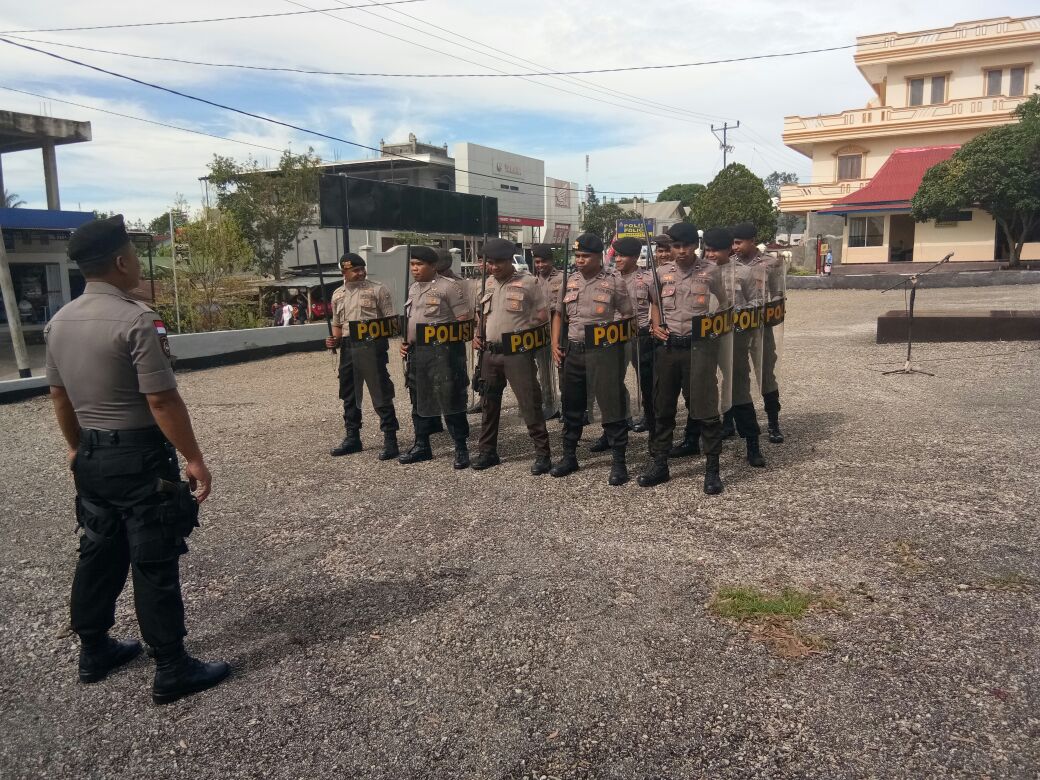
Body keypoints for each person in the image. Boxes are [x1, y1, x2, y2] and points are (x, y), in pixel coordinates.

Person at [43, 215, 228, 705]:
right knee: (153, 557)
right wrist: (194, 457)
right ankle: (171, 666)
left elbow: (59, 396)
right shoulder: (136, 319)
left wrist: (75, 447)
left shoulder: (59, 321)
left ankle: (94, 648)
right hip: (140, 455)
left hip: (92, 455)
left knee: (98, 550)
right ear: (122, 261)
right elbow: (162, 402)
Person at [637, 222, 732, 494]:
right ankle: (660, 464)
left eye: (686, 245)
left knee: (705, 408)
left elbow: (723, 304)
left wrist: (714, 330)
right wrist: (656, 326)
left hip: (699, 349)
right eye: (676, 246)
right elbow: (655, 304)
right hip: (668, 350)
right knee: (662, 408)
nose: (681, 251)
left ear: (695, 245)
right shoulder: (660, 273)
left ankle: (712, 468)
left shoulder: (711, 272)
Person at [550, 232, 634, 485]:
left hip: (604, 352)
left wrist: (613, 340)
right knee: (572, 405)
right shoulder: (569, 281)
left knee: (611, 404)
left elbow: (627, 315)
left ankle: (619, 462)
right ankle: (569, 456)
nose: (580, 260)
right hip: (574, 351)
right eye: (577, 256)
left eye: (585, 256)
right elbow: (558, 314)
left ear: (599, 257)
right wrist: (555, 343)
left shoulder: (615, 282)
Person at [471, 237, 553, 474]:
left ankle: (542, 454)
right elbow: (481, 314)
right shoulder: (485, 285)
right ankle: (487, 451)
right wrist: (479, 334)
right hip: (490, 353)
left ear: (510, 261)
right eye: (490, 263)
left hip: (517, 352)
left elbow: (542, 315)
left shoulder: (528, 283)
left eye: (499, 263)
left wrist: (525, 331)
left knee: (529, 402)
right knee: (489, 403)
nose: (494, 267)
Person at [399, 245, 472, 468]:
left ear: (433, 266)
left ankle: (460, 447)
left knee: (449, 398)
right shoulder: (412, 289)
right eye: (412, 264)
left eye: (419, 265)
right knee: (418, 398)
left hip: (443, 352)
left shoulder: (449, 288)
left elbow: (464, 321)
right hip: (417, 353)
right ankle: (422, 445)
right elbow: (412, 320)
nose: (415, 269)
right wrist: (406, 342)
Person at [325, 252, 400, 460]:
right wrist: (333, 340)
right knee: (349, 393)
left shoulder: (378, 290)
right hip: (348, 346)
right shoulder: (337, 294)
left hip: (372, 344)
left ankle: (390, 438)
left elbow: (392, 324)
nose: (360, 273)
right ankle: (352, 437)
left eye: (362, 269)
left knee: (380, 391)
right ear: (344, 272)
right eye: (355, 270)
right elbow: (338, 326)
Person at [711, 229, 766, 468]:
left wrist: (738, 313)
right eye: (708, 249)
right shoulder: (698, 274)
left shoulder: (743, 273)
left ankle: (752, 444)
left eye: (716, 249)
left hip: (734, 339)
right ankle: (696, 439)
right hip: (705, 340)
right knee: (701, 391)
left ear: (728, 250)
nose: (711, 254)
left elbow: (757, 302)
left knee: (740, 389)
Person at [732, 222, 785, 443]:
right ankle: (733, 422)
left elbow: (778, 294)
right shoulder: (728, 265)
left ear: (752, 241)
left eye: (738, 242)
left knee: (766, 376)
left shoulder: (770, 264)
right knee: (735, 375)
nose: (734, 247)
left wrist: (770, 309)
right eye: (732, 243)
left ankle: (773, 422)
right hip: (735, 330)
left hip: (760, 329)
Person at [606, 236, 654, 437]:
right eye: (616, 255)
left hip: (640, 335)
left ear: (635, 257)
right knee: (613, 379)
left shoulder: (648, 279)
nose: (617, 259)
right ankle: (620, 420)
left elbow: (657, 307)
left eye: (623, 256)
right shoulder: (608, 278)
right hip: (614, 334)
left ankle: (650, 418)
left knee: (646, 380)